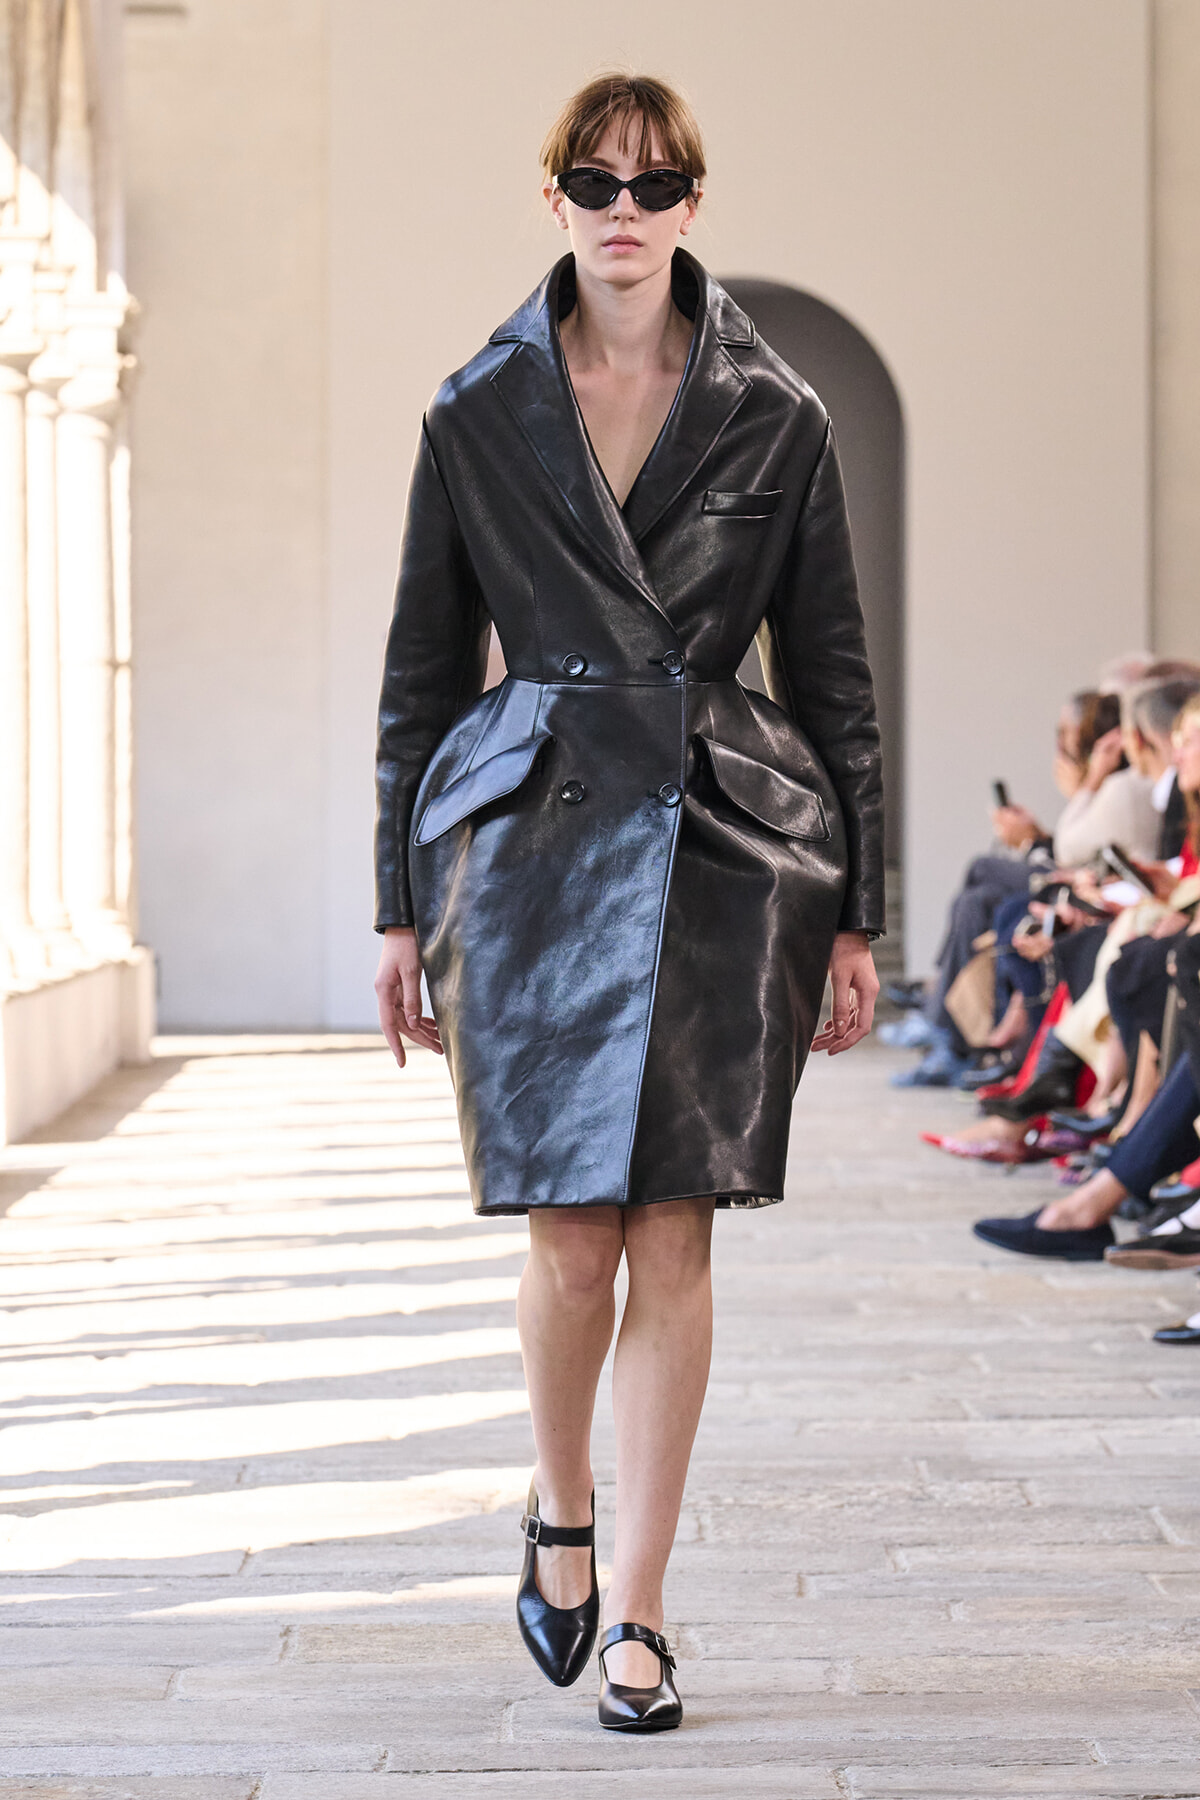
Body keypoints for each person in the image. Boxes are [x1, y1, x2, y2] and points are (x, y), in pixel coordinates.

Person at [371, 73, 884, 1733]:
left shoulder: (776, 415)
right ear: (555, 203)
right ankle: (560, 1504)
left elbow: (835, 680)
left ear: (691, 205)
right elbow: (421, 672)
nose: (623, 206)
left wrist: (857, 915)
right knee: (571, 1241)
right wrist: (396, 903)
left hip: (725, 846)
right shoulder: (477, 411)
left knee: (673, 1233)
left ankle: (648, 1607)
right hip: (528, 858)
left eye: (654, 183)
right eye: (594, 180)